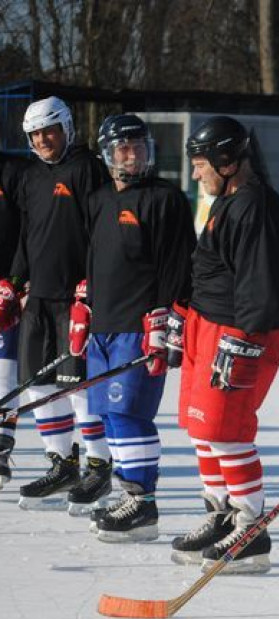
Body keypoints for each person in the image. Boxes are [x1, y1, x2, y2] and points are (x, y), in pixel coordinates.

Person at [169, 116, 279, 574]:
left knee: (226, 429)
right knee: (201, 427)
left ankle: (250, 527)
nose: (196, 174)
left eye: (201, 165)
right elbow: (210, 267)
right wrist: (181, 315)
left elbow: (260, 282)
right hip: (208, 324)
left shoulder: (255, 206)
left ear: (227, 161)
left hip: (241, 331)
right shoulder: (228, 199)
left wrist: (243, 341)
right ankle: (221, 515)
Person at [77, 114, 194, 541]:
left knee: (130, 414)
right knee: (107, 414)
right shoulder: (99, 199)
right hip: (102, 326)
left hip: (138, 327)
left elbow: (180, 265)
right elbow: (95, 258)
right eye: (124, 148)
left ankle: (142, 503)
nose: (134, 154)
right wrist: (84, 300)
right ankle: (129, 495)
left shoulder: (165, 199)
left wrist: (167, 318)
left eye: (139, 146)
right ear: (108, 155)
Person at [7, 96, 112, 512]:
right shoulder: (31, 177)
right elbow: (27, 236)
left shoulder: (88, 169)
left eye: (49, 130)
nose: (42, 139)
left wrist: (94, 286)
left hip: (77, 298)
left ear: (67, 128)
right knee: (40, 384)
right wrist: (13, 282)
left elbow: (104, 232)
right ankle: (62, 463)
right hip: (39, 297)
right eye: (34, 134)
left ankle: (99, 466)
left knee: (80, 387)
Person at [0, 143, 27, 486]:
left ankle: (2, 446)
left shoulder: (15, 172)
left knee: (5, 373)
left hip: (5, 285)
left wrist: (19, 279)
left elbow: (32, 228)